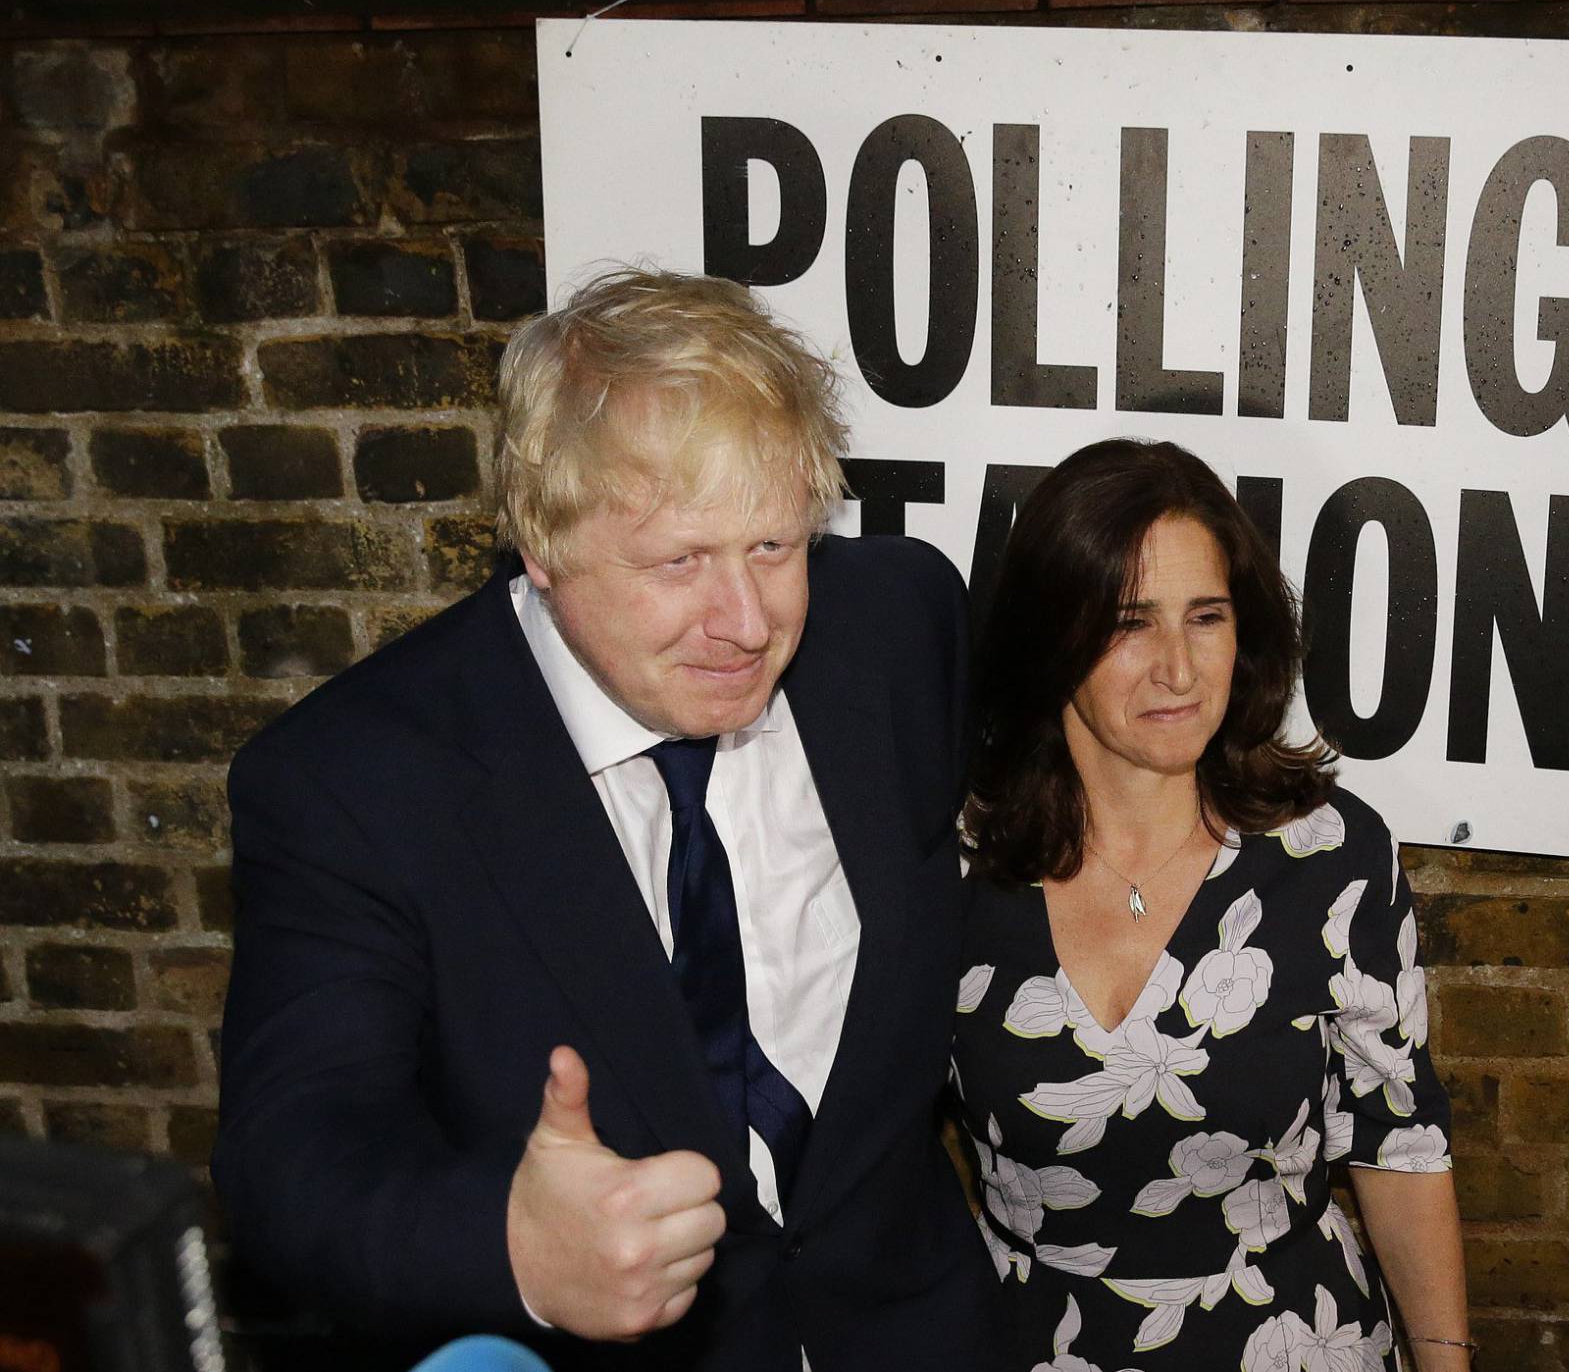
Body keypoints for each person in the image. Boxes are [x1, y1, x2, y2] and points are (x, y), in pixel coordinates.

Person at [215, 268, 1001, 1371]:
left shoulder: (899, 625)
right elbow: (292, 1155)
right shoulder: (357, 783)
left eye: (773, 546)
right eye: (679, 561)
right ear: (542, 542)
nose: (747, 622)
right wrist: (515, 1249)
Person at [952, 439, 1470, 1371]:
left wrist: (1446, 1364)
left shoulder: (1332, 858)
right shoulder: (953, 868)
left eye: (1206, 617)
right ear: (1051, 636)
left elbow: (1399, 1144)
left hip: (1296, 1343)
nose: (1180, 670)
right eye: (1129, 623)